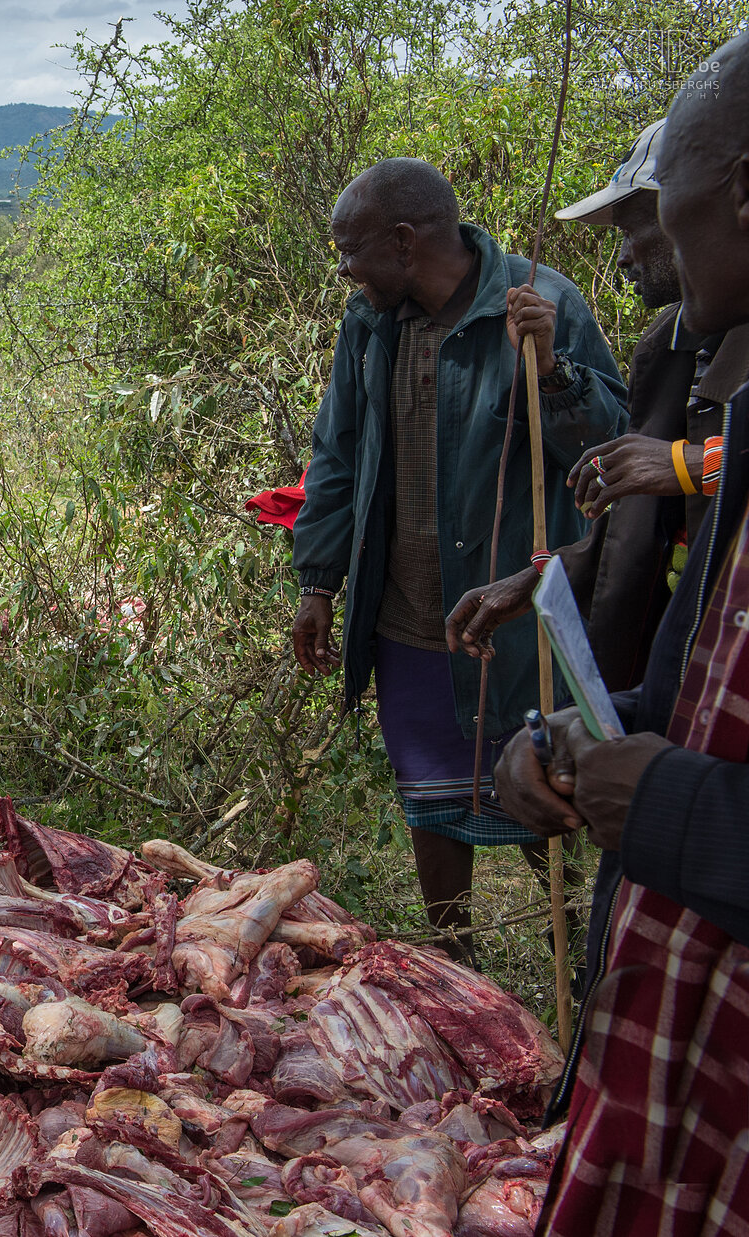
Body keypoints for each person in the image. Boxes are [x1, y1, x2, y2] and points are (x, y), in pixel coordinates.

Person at [503, 36, 749, 1233]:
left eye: (669, 214)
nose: (652, 249)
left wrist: (667, 806)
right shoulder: (684, 353)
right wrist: (588, 734)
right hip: (683, 1057)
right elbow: (708, 685)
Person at [289, 159, 627, 959]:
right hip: (407, 617)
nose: (344, 269)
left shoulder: (540, 303)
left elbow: (611, 449)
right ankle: (454, 965)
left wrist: (551, 370)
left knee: (547, 795)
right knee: (431, 804)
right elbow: (335, 454)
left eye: (351, 250)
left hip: (514, 622)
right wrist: (319, 580)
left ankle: (566, 960)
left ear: (404, 242)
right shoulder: (368, 324)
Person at [448, 120, 749, 686]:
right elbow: (644, 526)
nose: (625, 258)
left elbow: (679, 473)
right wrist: (541, 578)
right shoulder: (669, 346)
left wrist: (691, 464)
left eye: (637, 230)